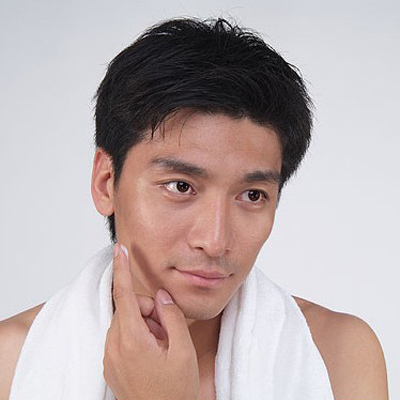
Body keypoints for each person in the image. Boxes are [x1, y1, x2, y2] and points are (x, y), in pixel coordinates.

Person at [0, 17, 388, 400]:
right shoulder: (10, 363)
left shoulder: (337, 356)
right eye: (181, 187)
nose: (215, 241)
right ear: (106, 183)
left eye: (252, 195)